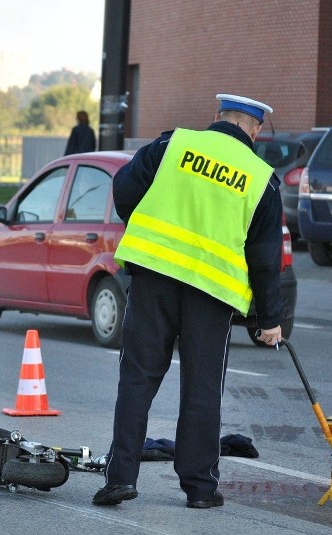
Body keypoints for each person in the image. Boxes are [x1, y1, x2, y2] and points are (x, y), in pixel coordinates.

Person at [93, 93, 284, 509]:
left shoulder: (171, 146)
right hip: (211, 294)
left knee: (137, 380)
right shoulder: (261, 178)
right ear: (256, 129)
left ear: (217, 117)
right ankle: (199, 489)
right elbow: (266, 259)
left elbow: (123, 188)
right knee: (201, 389)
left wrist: (144, 226)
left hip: (153, 279)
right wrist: (269, 319)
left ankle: (120, 479)